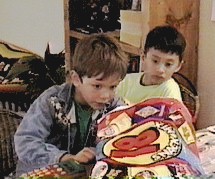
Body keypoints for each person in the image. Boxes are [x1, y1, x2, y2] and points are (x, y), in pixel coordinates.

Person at [14, 34, 129, 177]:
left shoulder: (113, 107)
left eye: (112, 87)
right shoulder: (52, 100)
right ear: (76, 79)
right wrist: (65, 158)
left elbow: (123, 139)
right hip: (43, 172)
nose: (106, 95)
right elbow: (25, 142)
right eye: (97, 86)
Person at [116, 25, 186, 105]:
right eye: (155, 61)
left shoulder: (170, 91)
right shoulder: (126, 81)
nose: (160, 69)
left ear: (178, 66)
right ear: (143, 57)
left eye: (168, 64)